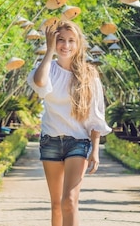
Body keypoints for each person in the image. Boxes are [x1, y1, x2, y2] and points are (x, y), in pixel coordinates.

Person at [27, 20, 111, 226]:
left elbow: (95, 116)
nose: (66, 45)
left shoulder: (89, 75)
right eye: (61, 40)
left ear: (79, 44)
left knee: (69, 201)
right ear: (53, 42)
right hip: (51, 142)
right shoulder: (47, 69)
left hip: (78, 142)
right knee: (56, 204)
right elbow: (39, 83)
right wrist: (49, 52)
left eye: (71, 40)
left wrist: (95, 150)